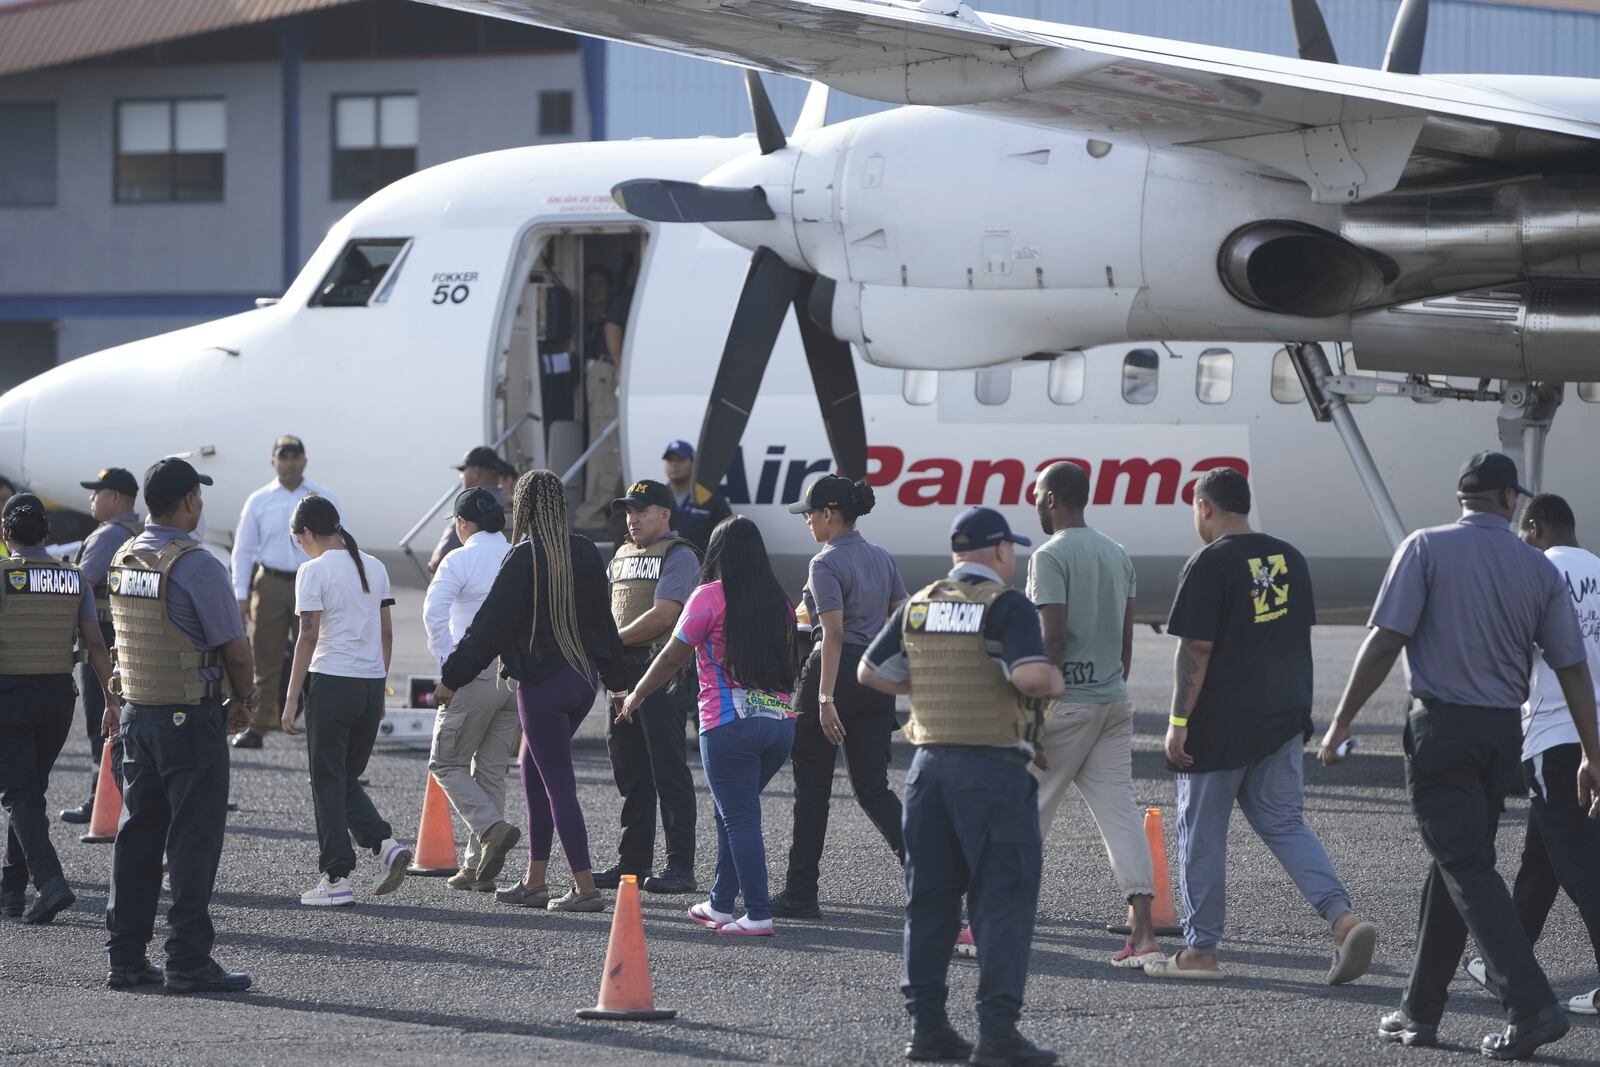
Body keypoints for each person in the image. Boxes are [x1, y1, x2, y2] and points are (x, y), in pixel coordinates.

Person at [1321, 452, 1600, 1059]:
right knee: (1453, 862)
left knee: (1466, 866)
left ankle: (1531, 1006)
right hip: (1504, 737)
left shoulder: (1424, 547)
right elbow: (1572, 668)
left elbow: (1385, 640)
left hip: (1441, 728)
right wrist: (1593, 753)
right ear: (1507, 500)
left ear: (1461, 498)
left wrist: (1340, 720)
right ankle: (1419, 1011)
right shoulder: (1538, 568)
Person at [1149, 467, 1376, 985]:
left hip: (1221, 727)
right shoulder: (1289, 558)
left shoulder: (1209, 563)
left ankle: (1200, 951)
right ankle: (1343, 920)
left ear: (1204, 507)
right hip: (1281, 720)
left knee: (1201, 836)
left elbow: (1196, 649)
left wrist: (1178, 722)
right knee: (1285, 824)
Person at [859, 506, 1063, 1067]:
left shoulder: (921, 605)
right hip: (991, 770)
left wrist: (920, 683)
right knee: (1001, 903)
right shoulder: (1006, 606)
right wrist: (1053, 678)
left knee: (929, 903)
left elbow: (870, 672)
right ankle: (997, 1034)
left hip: (928, 770)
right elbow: (1027, 675)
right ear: (1000, 551)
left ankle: (927, 1031)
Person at [438, 470, 629, 913]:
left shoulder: (524, 556)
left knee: (558, 784)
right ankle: (535, 880)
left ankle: (585, 887)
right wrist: (619, 686)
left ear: (521, 508)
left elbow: (488, 627)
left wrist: (453, 675)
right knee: (533, 770)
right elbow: (605, 626)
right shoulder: (584, 550)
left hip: (544, 684)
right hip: (583, 681)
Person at [105, 458, 256, 993]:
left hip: (139, 714)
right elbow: (235, 648)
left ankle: (124, 956)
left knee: (137, 835)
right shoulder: (197, 564)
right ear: (190, 500)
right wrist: (246, 699)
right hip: (190, 720)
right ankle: (187, 959)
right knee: (192, 840)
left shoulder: (125, 556)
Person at [622, 516, 797, 936]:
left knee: (738, 818)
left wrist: (637, 694)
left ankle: (757, 913)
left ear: (716, 554)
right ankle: (720, 904)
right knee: (731, 812)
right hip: (779, 723)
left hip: (728, 723)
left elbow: (670, 657)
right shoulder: (781, 602)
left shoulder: (709, 596)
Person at [1462, 492, 1600, 1017]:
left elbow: (1512, 653)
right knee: (1541, 859)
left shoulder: (1536, 573)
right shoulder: (1598, 570)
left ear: (1535, 527)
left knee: (1582, 868)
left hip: (1554, 735)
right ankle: (1503, 960)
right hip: (1593, 738)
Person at [1022, 460, 1162, 967]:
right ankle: (1143, 936)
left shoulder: (1049, 556)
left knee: (1025, 811)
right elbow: (1125, 640)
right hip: (1112, 701)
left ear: (1054, 498)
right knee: (1120, 815)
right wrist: (1111, 684)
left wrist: (1034, 712)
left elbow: (1052, 637)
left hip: (1067, 705)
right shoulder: (1116, 553)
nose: (1034, 502)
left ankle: (986, 925)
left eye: (1037, 494)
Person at [774, 474, 907, 920]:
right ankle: (929, 873)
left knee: (812, 788)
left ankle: (801, 892)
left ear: (829, 514)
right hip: (875, 675)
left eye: (810, 513)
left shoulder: (824, 562)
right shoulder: (882, 557)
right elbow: (900, 617)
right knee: (873, 789)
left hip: (832, 675)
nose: (808, 521)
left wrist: (826, 698)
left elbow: (830, 633)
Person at [281, 495, 410, 907]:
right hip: (370, 685)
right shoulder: (374, 566)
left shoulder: (312, 571)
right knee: (342, 779)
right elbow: (387, 634)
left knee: (327, 780)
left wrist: (289, 700)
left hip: (331, 683)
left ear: (306, 533)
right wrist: (381, 686)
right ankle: (383, 844)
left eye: (297, 539)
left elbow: (308, 637)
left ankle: (336, 878)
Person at [0, 494, 119, 924]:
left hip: (9, 697)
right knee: (29, 792)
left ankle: (50, 882)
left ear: (5, 533)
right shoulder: (73, 578)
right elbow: (95, 645)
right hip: (56, 698)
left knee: (18, 794)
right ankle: (11, 890)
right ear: (47, 533)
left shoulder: (3, 575)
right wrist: (111, 699)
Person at [598, 479, 700, 894]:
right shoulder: (621, 554)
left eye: (641, 510)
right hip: (622, 672)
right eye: (628, 510)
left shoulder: (679, 555)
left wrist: (610, 641)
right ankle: (632, 864)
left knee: (668, 770)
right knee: (630, 771)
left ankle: (680, 867)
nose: (632, 518)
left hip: (661, 669)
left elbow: (665, 616)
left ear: (665, 514)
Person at [423, 487, 521, 892]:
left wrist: (450, 665)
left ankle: (490, 829)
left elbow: (434, 613)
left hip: (474, 673)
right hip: (515, 677)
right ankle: (478, 868)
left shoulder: (460, 558)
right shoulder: (518, 554)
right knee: (492, 770)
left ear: (463, 524)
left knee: (446, 763)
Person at [231, 434, 335, 749]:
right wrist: (240, 593)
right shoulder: (259, 500)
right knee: (264, 659)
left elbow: (336, 542)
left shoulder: (322, 497)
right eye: (283, 456)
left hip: (314, 582)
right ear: (273, 461)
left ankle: (321, 730)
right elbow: (243, 549)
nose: (289, 462)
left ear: (304, 460)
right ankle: (258, 726)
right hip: (272, 582)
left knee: (320, 657)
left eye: (294, 456)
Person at [60, 467, 143, 824]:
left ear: (117, 498)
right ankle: (123, 796)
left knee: (103, 720)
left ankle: (102, 798)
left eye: (98, 492)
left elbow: (81, 582)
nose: (92, 498)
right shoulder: (136, 532)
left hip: (101, 640)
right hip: (125, 637)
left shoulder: (108, 535)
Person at [573, 276, 629, 532]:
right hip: (606, 371)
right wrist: (620, 366)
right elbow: (613, 327)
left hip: (607, 370)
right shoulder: (626, 296)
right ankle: (592, 516)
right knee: (605, 446)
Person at [428, 447, 511, 573]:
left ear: (476, 471)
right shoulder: (514, 506)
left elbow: (439, 560)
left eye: (463, 471)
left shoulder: (468, 507)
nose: (462, 477)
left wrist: (432, 567)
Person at [661, 439, 731, 553]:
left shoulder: (711, 499)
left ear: (693, 463)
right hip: (664, 568)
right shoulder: (656, 498)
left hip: (702, 567)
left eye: (681, 459)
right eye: (670, 460)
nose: (674, 464)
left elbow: (728, 537)